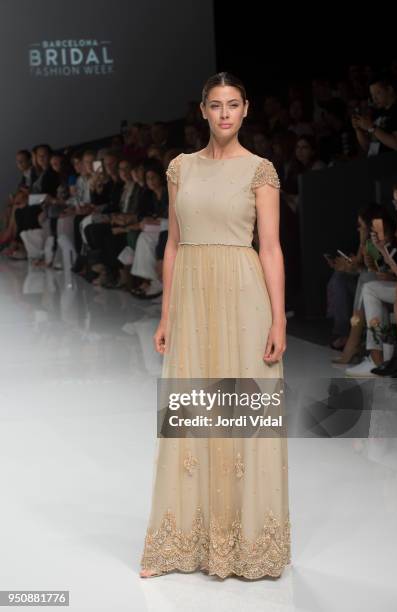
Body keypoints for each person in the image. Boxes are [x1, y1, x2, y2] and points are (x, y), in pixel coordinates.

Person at [140, 71, 291, 580]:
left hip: (243, 296)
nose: (224, 113)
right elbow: (175, 244)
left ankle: (246, 545)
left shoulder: (261, 171)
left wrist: (278, 318)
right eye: (215, 104)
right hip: (193, 301)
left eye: (233, 104)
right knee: (193, 411)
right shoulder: (179, 168)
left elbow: (269, 247)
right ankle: (187, 541)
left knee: (243, 411)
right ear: (202, 111)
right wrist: (165, 313)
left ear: (245, 109)